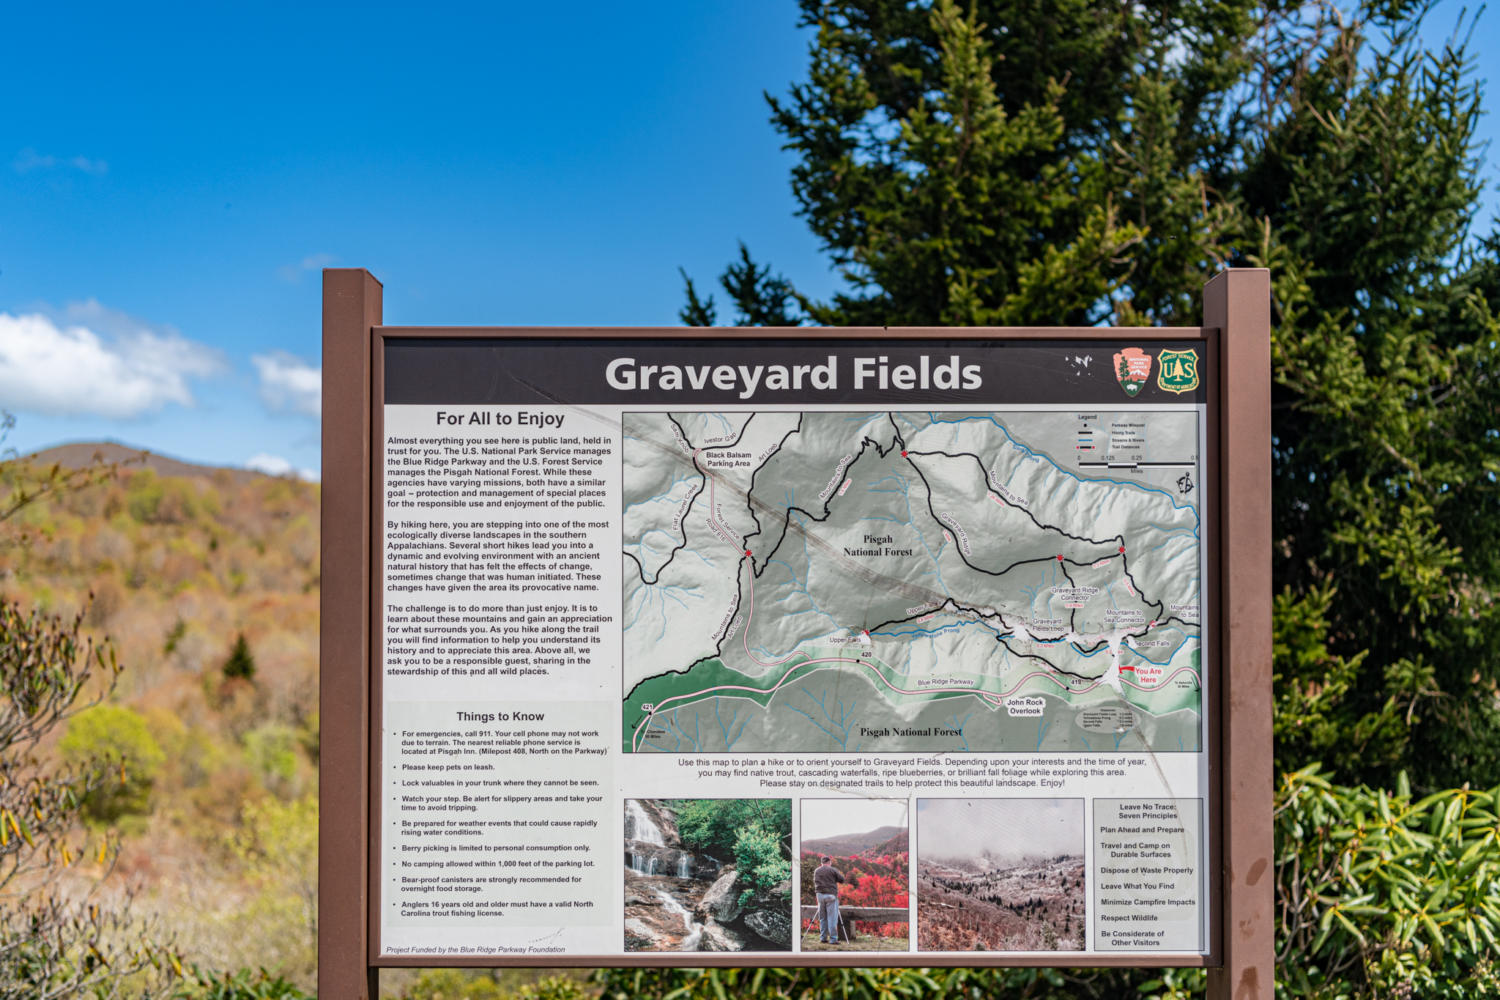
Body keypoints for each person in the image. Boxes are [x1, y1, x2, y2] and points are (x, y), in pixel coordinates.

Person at [812, 855, 846, 945]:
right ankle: (833, 939)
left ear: (822, 863)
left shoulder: (817, 870)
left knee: (822, 918)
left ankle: (823, 938)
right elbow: (842, 880)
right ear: (829, 862)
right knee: (832, 918)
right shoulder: (832, 870)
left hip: (819, 895)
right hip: (830, 895)